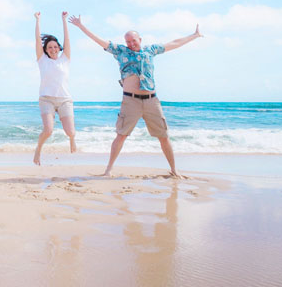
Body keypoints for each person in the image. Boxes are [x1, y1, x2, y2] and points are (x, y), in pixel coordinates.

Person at [68, 15, 203, 178]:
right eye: (128, 42)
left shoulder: (150, 50)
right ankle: (108, 170)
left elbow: (174, 43)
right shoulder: (120, 51)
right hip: (130, 101)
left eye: (134, 41)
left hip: (152, 100)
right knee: (121, 135)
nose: (131, 44)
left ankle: (174, 170)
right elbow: (100, 41)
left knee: (163, 136)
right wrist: (81, 26)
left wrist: (194, 36)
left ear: (140, 39)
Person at [33, 11, 77, 165]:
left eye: (55, 46)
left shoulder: (65, 59)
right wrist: (38, 20)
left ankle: (72, 140)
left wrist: (64, 20)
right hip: (47, 99)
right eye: (49, 47)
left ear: (59, 48)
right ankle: (38, 149)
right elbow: (37, 41)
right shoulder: (42, 60)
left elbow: (68, 39)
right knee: (48, 130)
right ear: (46, 49)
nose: (53, 49)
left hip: (65, 99)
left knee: (71, 132)